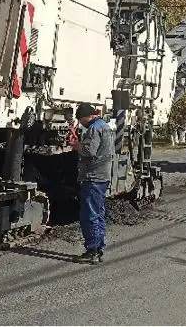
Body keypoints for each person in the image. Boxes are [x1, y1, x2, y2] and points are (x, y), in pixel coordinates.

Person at [69, 102, 114, 264]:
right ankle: (98, 248)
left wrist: (76, 145)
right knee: (98, 213)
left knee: (90, 214)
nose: (80, 123)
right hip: (102, 176)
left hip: (93, 176)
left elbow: (89, 151)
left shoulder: (94, 129)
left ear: (87, 116)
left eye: (80, 119)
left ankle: (92, 251)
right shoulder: (105, 126)